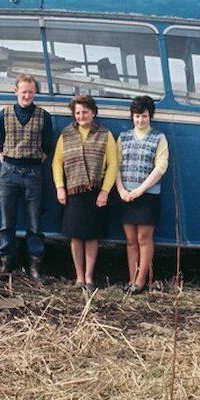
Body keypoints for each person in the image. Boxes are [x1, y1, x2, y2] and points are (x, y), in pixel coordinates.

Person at [52, 95, 118, 290]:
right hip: (73, 191)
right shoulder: (66, 134)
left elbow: (113, 164)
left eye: (85, 112)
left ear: (93, 113)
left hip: (95, 192)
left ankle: (89, 278)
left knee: (91, 236)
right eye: (78, 112)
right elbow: (57, 162)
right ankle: (79, 277)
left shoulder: (105, 135)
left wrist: (105, 191)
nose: (81, 116)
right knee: (75, 235)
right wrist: (60, 187)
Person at [0, 74, 53, 279]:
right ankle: (6, 264)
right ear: (16, 91)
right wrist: (7, 161)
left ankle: (35, 267)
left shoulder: (43, 116)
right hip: (9, 172)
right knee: (6, 222)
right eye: (23, 91)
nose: (27, 95)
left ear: (35, 93)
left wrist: (33, 162)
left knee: (34, 222)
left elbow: (47, 146)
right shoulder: (4, 114)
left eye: (31, 92)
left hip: (33, 173)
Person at [115, 95, 168, 294]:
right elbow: (116, 165)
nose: (140, 120)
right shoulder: (124, 137)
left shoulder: (159, 138)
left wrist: (140, 189)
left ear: (150, 116)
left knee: (144, 238)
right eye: (137, 116)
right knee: (130, 239)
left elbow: (161, 166)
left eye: (144, 116)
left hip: (148, 195)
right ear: (132, 117)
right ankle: (131, 279)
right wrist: (121, 190)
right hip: (126, 196)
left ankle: (140, 281)